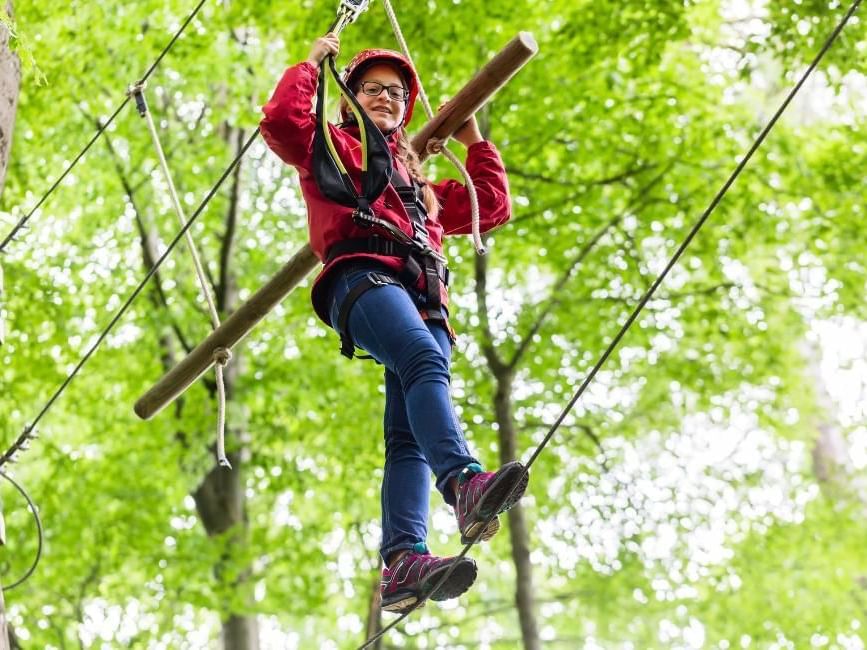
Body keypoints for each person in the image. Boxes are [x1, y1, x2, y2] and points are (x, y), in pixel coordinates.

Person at [260, 33, 529, 614]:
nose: (386, 97)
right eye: (373, 89)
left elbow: (492, 204)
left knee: (407, 433)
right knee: (422, 361)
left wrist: (472, 136)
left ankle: (404, 558)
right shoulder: (330, 146)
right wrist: (312, 63)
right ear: (350, 98)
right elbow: (282, 122)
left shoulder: (421, 187)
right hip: (361, 278)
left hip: (423, 298)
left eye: (397, 92)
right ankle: (462, 482)